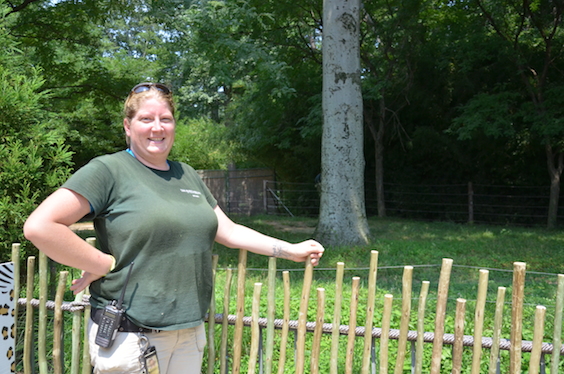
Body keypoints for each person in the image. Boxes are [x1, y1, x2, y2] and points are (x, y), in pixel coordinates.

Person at [23, 82, 325, 374]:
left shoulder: (187, 175)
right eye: (146, 119)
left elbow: (229, 232)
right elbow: (40, 226)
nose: (157, 127)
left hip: (188, 331)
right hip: (132, 335)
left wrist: (291, 250)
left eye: (165, 119)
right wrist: (102, 263)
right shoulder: (108, 170)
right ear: (128, 126)